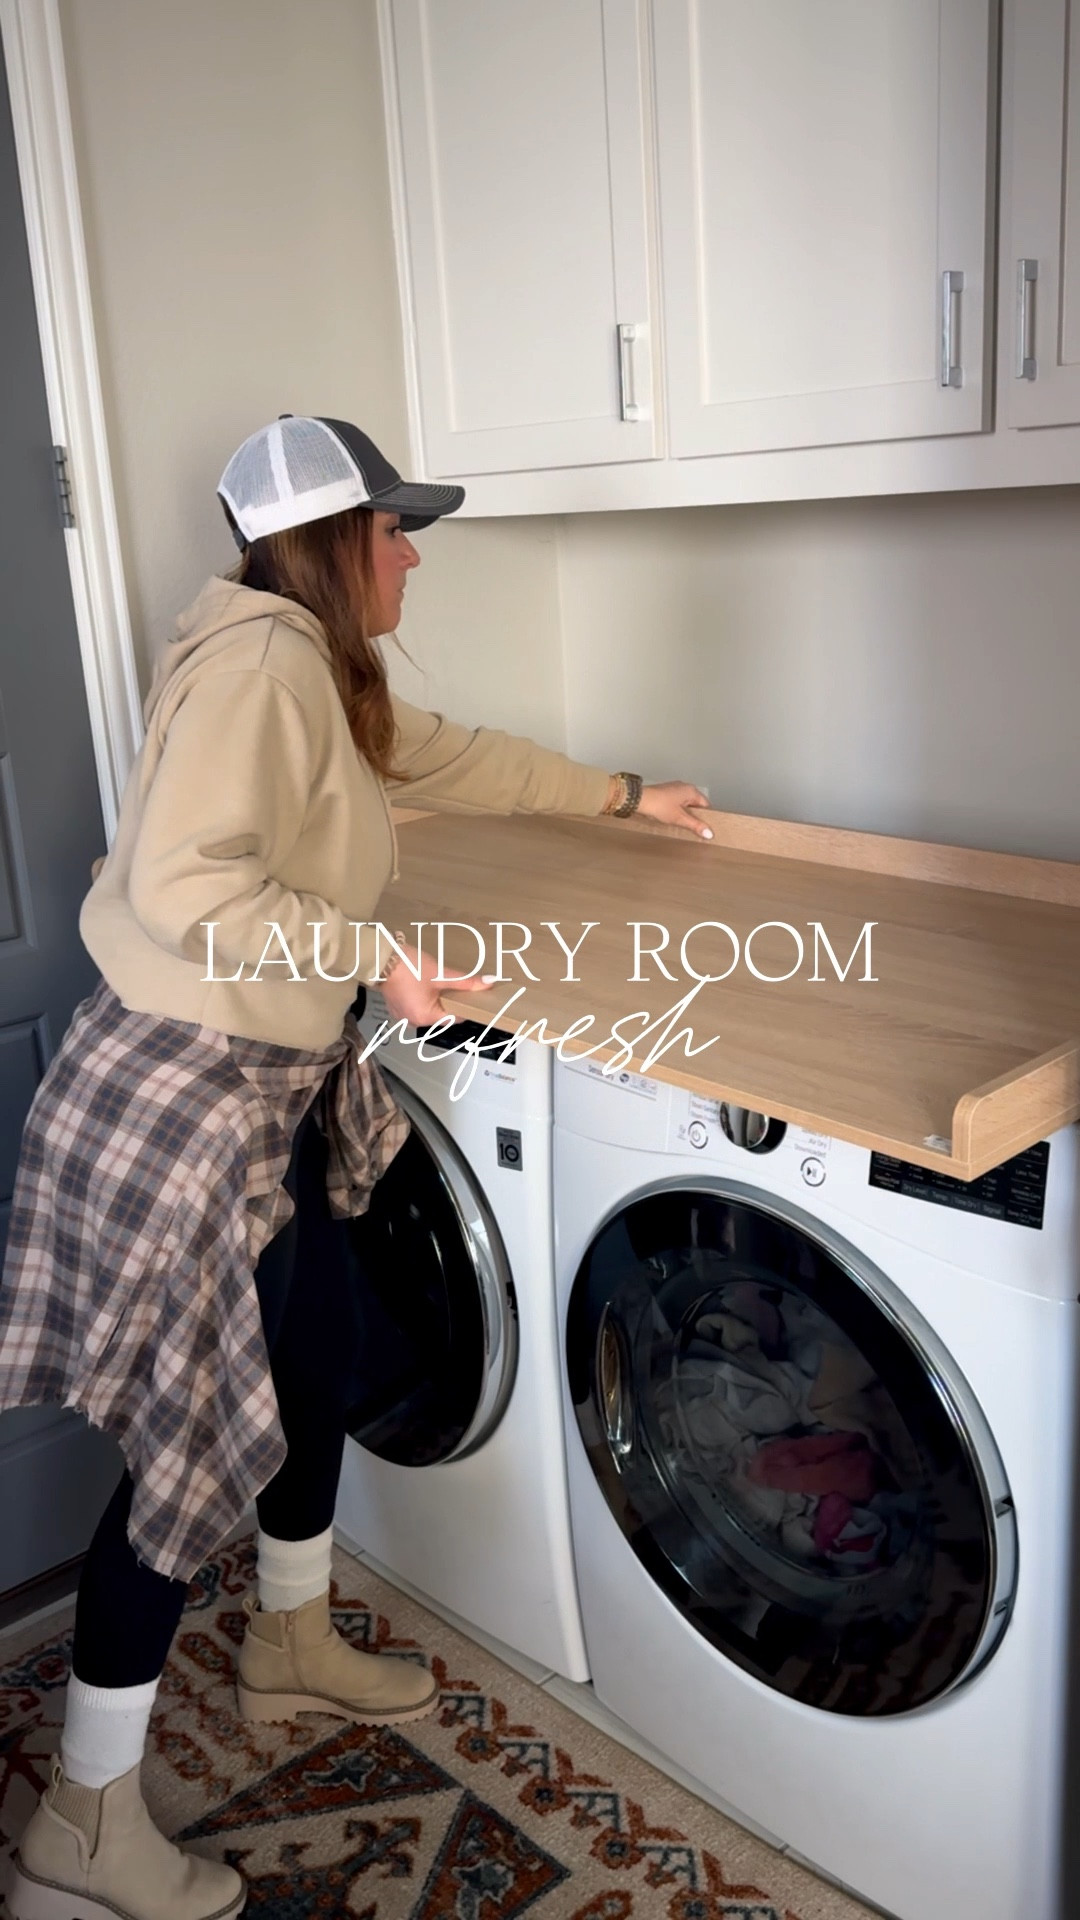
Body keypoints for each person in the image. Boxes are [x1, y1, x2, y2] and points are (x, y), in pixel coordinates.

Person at [0, 414, 711, 1920]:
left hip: (260, 1077)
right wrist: (367, 949)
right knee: (188, 1444)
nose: (412, 555)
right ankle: (82, 1820)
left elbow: (444, 756)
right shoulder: (261, 668)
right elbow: (189, 878)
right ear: (333, 540)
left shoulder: (306, 663)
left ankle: (288, 1638)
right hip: (187, 1093)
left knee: (317, 1354)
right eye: (394, 529)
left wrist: (622, 795)